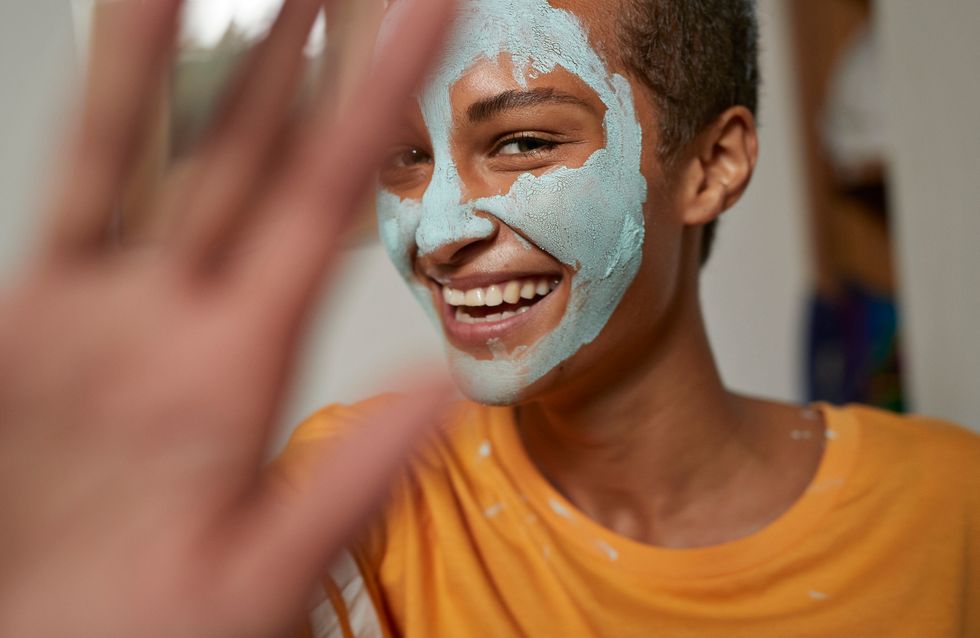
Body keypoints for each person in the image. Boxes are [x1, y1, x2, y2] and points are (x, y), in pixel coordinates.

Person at [0, 2, 976, 638]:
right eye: (402, 156)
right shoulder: (357, 511)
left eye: (517, 141)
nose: (435, 230)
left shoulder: (950, 512)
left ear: (711, 165)